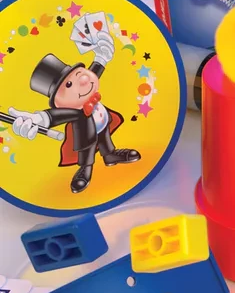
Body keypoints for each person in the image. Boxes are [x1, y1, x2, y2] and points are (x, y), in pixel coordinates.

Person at [9, 39, 139, 193]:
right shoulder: (74, 112)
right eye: (69, 85)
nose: (83, 80)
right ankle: (85, 169)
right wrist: (38, 119)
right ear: (59, 102)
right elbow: (55, 116)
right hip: (86, 133)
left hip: (103, 121)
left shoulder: (87, 83)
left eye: (79, 74)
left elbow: (93, 74)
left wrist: (101, 57)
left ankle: (110, 155)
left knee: (105, 138)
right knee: (88, 149)